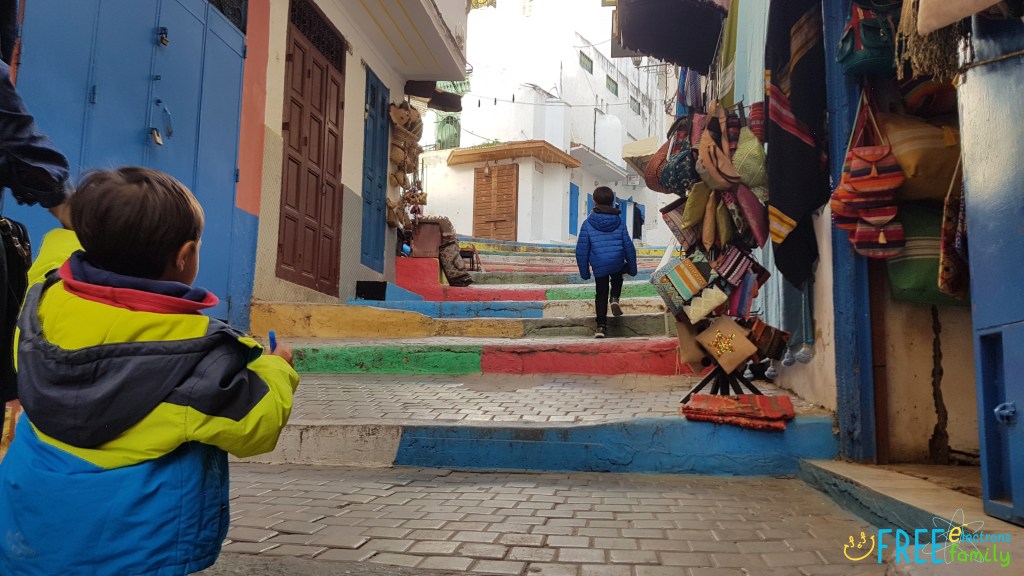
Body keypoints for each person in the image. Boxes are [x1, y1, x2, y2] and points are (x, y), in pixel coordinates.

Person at [0, 167, 300, 576]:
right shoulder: (198, 357)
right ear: (184, 255)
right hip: (135, 552)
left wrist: (85, 223)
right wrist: (276, 366)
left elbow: (56, 259)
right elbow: (256, 426)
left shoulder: (41, 304)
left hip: (30, 538)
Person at [575, 186, 638, 338]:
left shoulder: (587, 223)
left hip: (599, 264)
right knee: (617, 277)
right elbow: (628, 245)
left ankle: (601, 327)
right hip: (617, 261)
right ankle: (615, 297)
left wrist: (585, 272)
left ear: (594, 201)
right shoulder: (619, 221)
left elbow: (582, 250)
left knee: (601, 293)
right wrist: (632, 268)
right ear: (612, 202)